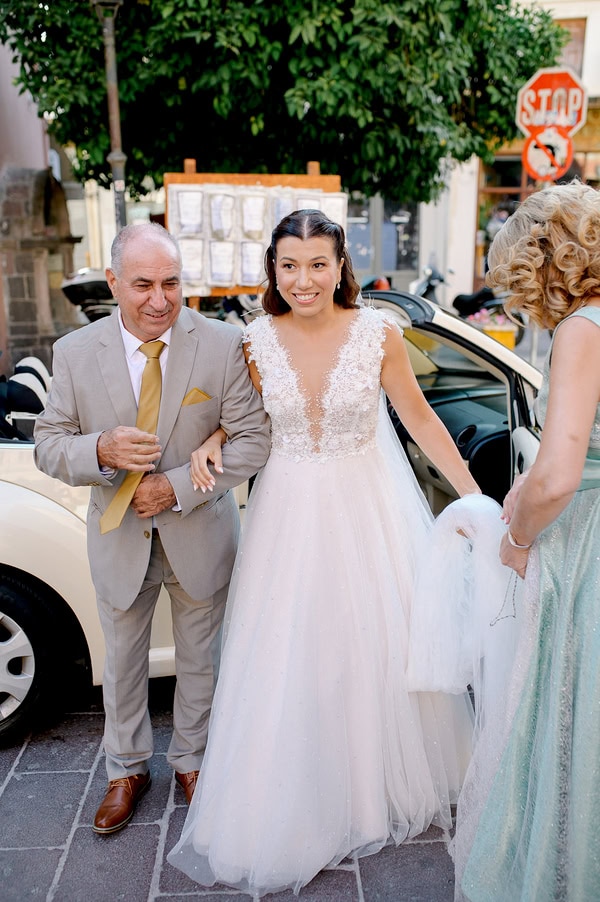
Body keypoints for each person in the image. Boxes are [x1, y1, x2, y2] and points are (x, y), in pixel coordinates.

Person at [167, 209, 481, 896]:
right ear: (273, 271)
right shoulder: (254, 341)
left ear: (341, 267)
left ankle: (371, 790)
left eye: (317, 264)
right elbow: (244, 418)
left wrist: (475, 499)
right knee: (293, 646)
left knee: (370, 641)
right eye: (289, 265)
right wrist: (214, 439)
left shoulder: (379, 334)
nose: (303, 279)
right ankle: (300, 782)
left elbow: (420, 418)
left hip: (368, 506)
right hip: (287, 513)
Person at [34, 222, 270, 835]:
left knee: (201, 659)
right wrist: (100, 449)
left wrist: (179, 487)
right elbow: (48, 445)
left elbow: (253, 438)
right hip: (118, 537)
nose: (160, 300)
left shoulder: (223, 344)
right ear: (114, 281)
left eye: (171, 283)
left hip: (201, 532)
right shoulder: (75, 352)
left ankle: (194, 761)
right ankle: (125, 770)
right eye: (143, 284)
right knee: (121, 662)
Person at [451, 180, 600, 900]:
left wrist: (516, 533)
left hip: (589, 545)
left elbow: (563, 473)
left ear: (545, 264)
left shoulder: (583, 329)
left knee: (572, 710)